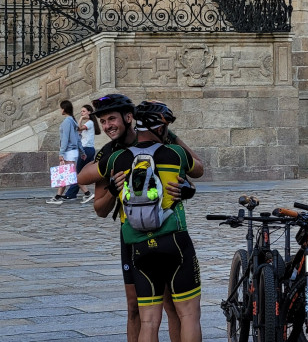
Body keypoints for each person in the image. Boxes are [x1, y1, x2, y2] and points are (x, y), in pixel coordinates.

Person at [78, 94, 184, 342]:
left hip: (167, 229)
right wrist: (114, 191)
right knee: (134, 307)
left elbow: (193, 167)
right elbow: (100, 209)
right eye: (102, 122)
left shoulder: (157, 139)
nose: (107, 126)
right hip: (132, 237)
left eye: (111, 119)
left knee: (172, 305)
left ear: (129, 117)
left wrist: (170, 135)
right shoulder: (109, 154)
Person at [100, 100, 204, 342]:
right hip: (174, 240)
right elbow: (198, 169)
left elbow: (86, 172)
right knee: (188, 314)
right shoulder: (176, 154)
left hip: (138, 245)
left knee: (148, 321)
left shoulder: (117, 159)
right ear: (161, 128)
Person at [47, 100, 88, 204]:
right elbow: (78, 138)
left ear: (64, 109)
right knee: (65, 175)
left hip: (68, 152)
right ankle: (57, 197)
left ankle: (87, 193)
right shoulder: (72, 121)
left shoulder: (67, 122)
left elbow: (65, 139)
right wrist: (82, 151)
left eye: (61, 108)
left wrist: (61, 153)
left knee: (71, 175)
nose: (60, 110)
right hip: (72, 151)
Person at [63, 104, 100, 202]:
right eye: (81, 111)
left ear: (89, 112)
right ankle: (71, 194)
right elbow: (78, 132)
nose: (82, 113)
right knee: (79, 172)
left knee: (77, 173)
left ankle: (81, 194)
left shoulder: (89, 123)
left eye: (83, 111)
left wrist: (80, 119)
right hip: (87, 149)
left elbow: (78, 128)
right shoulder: (89, 123)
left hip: (86, 149)